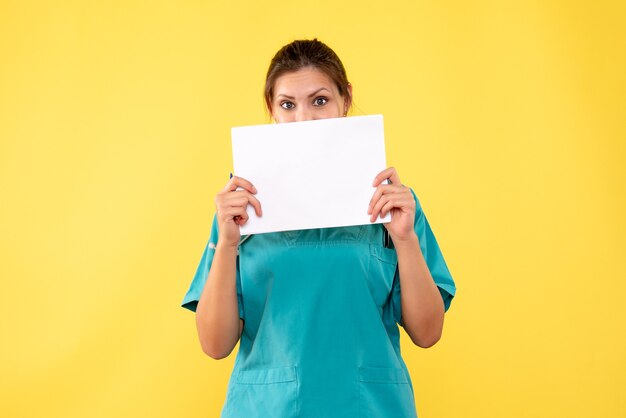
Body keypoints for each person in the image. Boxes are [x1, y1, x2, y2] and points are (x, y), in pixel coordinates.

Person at [181, 39, 457, 418]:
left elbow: (428, 333)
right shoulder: (241, 207)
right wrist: (227, 244)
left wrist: (405, 238)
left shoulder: (390, 202)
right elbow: (214, 344)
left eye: (320, 101)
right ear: (271, 111)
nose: (304, 120)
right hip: (266, 409)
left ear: (346, 100)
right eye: (288, 105)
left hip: (370, 408)